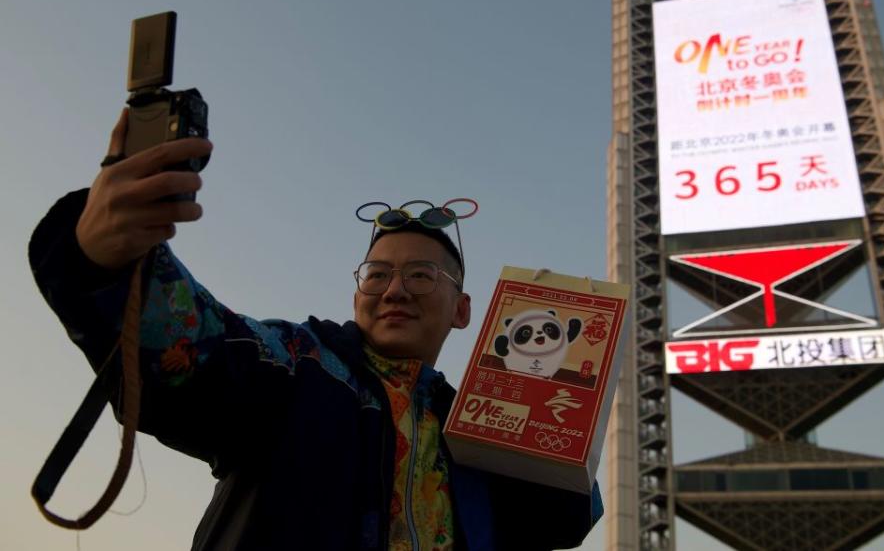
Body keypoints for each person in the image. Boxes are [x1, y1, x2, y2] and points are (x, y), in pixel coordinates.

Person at [29, 110, 602, 550]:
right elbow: (199, 349)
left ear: (462, 308)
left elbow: (560, 521)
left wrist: (562, 407)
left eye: (422, 276)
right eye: (378, 274)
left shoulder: (480, 429)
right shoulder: (295, 363)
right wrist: (102, 256)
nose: (395, 290)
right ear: (357, 293)